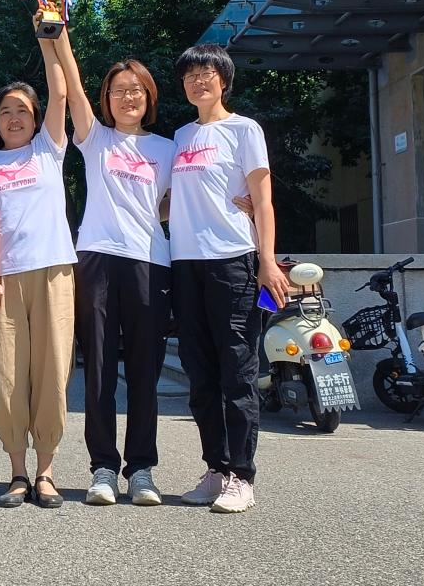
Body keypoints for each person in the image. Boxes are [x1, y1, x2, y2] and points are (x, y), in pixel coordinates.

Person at [53, 23, 175, 507]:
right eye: (119, 90)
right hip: (98, 259)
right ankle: (103, 468)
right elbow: (72, 85)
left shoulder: (167, 148)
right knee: (99, 370)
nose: (128, 97)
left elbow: (176, 203)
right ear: (107, 98)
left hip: (151, 261)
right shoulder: (96, 139)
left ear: (149, 97)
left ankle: (141, 469)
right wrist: (58, 32)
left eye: (136, 90)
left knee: (145, 372)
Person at [170, 43, 288, 514]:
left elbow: (263, 201)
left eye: (207, 73)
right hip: (185, 263)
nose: (198, 81)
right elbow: (173, 202)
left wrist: (267, 261)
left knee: (237, 374)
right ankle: (215, 469)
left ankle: (242, 475)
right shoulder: (180, 136)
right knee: (200, 375)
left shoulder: (244, 129)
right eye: (190, 75)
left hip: (232, 260)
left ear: (223, 80)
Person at [0, 30, 77, 508]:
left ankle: (46, 471)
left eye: (22, 110)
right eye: (5, 111)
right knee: (7, 375)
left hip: (54, 270)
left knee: (53, 371)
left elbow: (61, 92)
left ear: (36, 118)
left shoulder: (47, 150)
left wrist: (47, 36)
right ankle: (17, 472)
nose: (14, 117)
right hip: (1, 278)